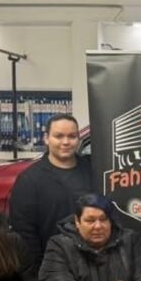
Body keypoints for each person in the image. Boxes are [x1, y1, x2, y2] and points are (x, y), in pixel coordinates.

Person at [9, 113, 93, 266]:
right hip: (51, 266)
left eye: (72, 136)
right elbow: (24, 233)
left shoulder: (93, 171)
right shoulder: (29, 180)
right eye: (59, 136)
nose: (66, 142)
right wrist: (38, 273)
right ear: (46, 138)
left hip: (92, 264)